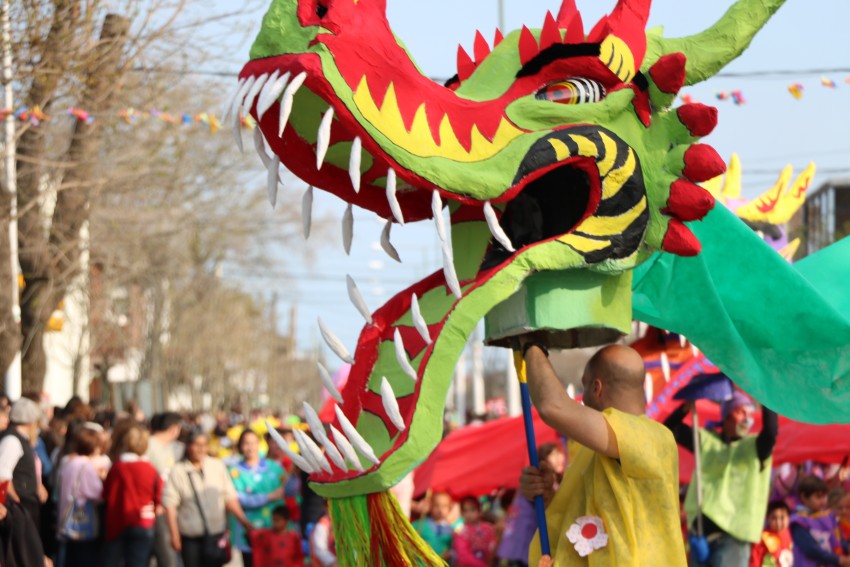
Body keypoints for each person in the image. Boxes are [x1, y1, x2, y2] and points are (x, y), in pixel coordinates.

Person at [519, 341, 687, 566]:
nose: (582, 400)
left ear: (596, 388)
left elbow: (552, 406)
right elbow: (581, 523)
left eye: (585, 388)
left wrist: (530, 345)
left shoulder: (651, 437)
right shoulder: (598, 450)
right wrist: (548, 493)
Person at [665, 388, 779, 567]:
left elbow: (771, 431)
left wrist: (764, 390)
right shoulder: (707, 441)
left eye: (749, 413)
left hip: (732, 541)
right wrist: (685, 407)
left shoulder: (756, 447)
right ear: (727, 415)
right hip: (700, 536)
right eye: (740, 412)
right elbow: (669, 429)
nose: (746, 418)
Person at [163, 429, 253, 567]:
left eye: (204, 445)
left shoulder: (216, 466)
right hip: (191, 537)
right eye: (197, 445)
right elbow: (170, 504)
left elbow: (229, 497)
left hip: (216, 534)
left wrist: (244, 522)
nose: (201, 449)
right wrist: (174, 534)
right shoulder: (178, 471)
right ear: (189, 446)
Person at [102, 424, 162, 567]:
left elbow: (106, 493)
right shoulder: (151, 469)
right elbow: (158, 496)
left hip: (118, 520)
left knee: (112, 561)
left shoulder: (118, 467)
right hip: (143, 521)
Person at [498, 443, 566, 567]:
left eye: (559, 453)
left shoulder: (560, 481)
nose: (559, 459)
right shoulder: (536, 481)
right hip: (522, 545)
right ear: (543, 461)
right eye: (553, 454)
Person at [228, 428, 285, 567]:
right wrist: (269, 496)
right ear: (240, 446)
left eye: (253, 443)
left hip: (274, 528)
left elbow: (288, 490)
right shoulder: (233, 472)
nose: (250, 447)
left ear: (259, 444)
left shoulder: (274, 467)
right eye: (246, 443)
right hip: (249, 530)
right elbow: (238, 499)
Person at [57, 426, 107, 566]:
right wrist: (102, 479)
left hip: (66, 513)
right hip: (82, 516)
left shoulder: (69, 462)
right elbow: (97, 493)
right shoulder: (87, 466)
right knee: (85, 557)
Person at [0, 398, 45, 526]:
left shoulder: (20, 439)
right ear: (31, 422)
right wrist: (16, 500)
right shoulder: (12, 441)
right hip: (18, 506)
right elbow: (3, 475)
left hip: (25, 503)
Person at [146, 412, 184, 567]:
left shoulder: (172, 447)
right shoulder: (148, 445)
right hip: (157, 510)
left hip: (170, 507)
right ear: (174, 428)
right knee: (167, 557)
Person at [791, 475, 850, 566]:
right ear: (804, 497)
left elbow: (839, 538)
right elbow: (810, 549)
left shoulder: (828, 516)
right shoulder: (798, 520)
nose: (823, 501)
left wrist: (847, 548)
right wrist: (838, 560)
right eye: (818, 497)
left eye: (824, 496)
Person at [413, 491, 457, 561]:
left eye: (444, 506)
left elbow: (454, 549)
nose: (440, 509)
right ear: (431, 506)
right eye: (436, 505)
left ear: (449, 508)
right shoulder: (419, 524)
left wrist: (450, 554)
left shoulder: (452, 530)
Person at [453, 496, 497, 567]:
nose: (469, 514)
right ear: (461, 513)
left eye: (472, 510)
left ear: (480, 511)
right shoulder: (461, 531)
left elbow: (494, 546)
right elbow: (464, 556)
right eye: (465, 511)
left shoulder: (489, 528)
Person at [749, 500, 794, 567]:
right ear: (767, 518)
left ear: (788, 518)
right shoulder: (762, 538)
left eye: (782, 517)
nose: (778, 523)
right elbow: (755, 561)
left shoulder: (793, 534)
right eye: (774, 518)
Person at [832, 488, 850, 555]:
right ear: (831, 508)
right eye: (839, 508)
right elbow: (841, 542)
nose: (844, 511)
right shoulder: (833, 524)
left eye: (848, 507)